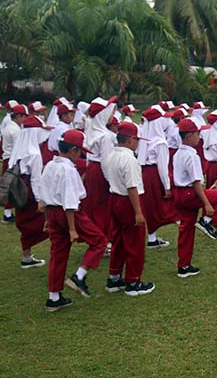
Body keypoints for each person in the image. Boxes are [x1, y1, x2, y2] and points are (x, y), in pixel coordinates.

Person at [41, 129, 107, 308]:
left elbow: (44, 194)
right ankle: (79, 276)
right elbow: (70, 201)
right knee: (99, 241)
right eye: (80, 152)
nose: (80, 156)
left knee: (58, 253)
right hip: (69, 213)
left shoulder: (50, 165)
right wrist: (72, 228)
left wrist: (48, 219)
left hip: (53, 212)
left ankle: (54, 296)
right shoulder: (68, 169)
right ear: (73, 151)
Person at [172, 118, 217, 278]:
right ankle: (206, 221)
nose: (200, 136)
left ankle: (183, 265)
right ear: (190, 135)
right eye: (197, 133)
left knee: (186, 230)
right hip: (189, 193)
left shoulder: (178, 153)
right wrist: (207, 204)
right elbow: (196, 182)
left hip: (179, 193)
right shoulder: (192, 155)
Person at [102, 121, 156, 297]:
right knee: (134, 241)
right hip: (128, 201)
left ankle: (114, 276)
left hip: (114, 198)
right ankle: (133, 281)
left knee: (118, 238)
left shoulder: (111, 155)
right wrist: (138, 212)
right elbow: (132, 186)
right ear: (131, 139)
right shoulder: (129, 158)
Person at [8, 115, 52, 269]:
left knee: (25, 223)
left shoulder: (18, 150)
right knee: (45, 222)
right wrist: (41, 199)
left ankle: (27, 257)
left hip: (19, 192)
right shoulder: (34, 154)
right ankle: (56, 251)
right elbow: (36, 179)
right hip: (31, 193)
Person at [137, 105, 174, 250]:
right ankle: (152, 238)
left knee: (148, 206)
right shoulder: (160, 142)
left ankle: (152, 236)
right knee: (155, 207)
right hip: (153, 175)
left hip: (144, 173)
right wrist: (167, 186)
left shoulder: (144, 139)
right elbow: (162, 167)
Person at [83, 96, 118, 240]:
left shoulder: (92, 131)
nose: (112, 116)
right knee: (103, 206)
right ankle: (104, 238)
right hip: (100, 172)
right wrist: (112, 181)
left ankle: (97, 237)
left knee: (94, 204)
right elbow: (106, 161)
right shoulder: (105, 136)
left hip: (92, 169)